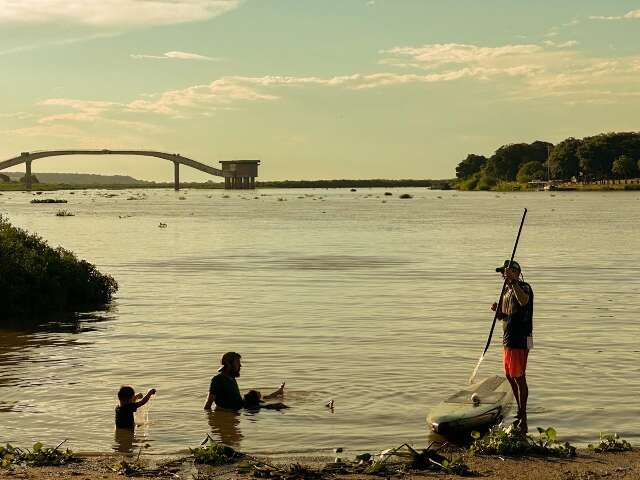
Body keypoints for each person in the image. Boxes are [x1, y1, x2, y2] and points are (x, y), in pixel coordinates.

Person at [491, 260, 533, 433]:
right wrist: (498, 312)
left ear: (516, 273)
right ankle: (518, 407)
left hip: (520, 339)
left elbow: (523, 302)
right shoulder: (506, 292)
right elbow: (506, 316)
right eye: (503, 273)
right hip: (507, 340)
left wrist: (514, 282)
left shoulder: (523, 287)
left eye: (506, 272)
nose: (503, 276)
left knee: (518, 376)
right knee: (509, 376)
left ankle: (522, 412)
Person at [204, 351, 285, 410]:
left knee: (263, 399)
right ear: (229, 364)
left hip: (243, 404)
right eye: (237, 363)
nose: (240, 365)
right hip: (240, 408)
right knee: (279, 406)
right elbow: (208, 404)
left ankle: (278, 392)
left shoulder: (232, 378)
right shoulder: (217, 380)